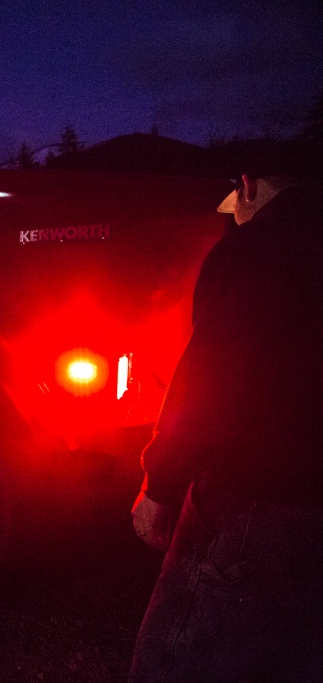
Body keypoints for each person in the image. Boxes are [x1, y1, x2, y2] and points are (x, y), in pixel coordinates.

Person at [130, 146, 323, 681]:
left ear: (248, 185)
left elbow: (210, 382)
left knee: (178, 659)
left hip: (255, 505)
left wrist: (159, 485)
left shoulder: (260, 248)